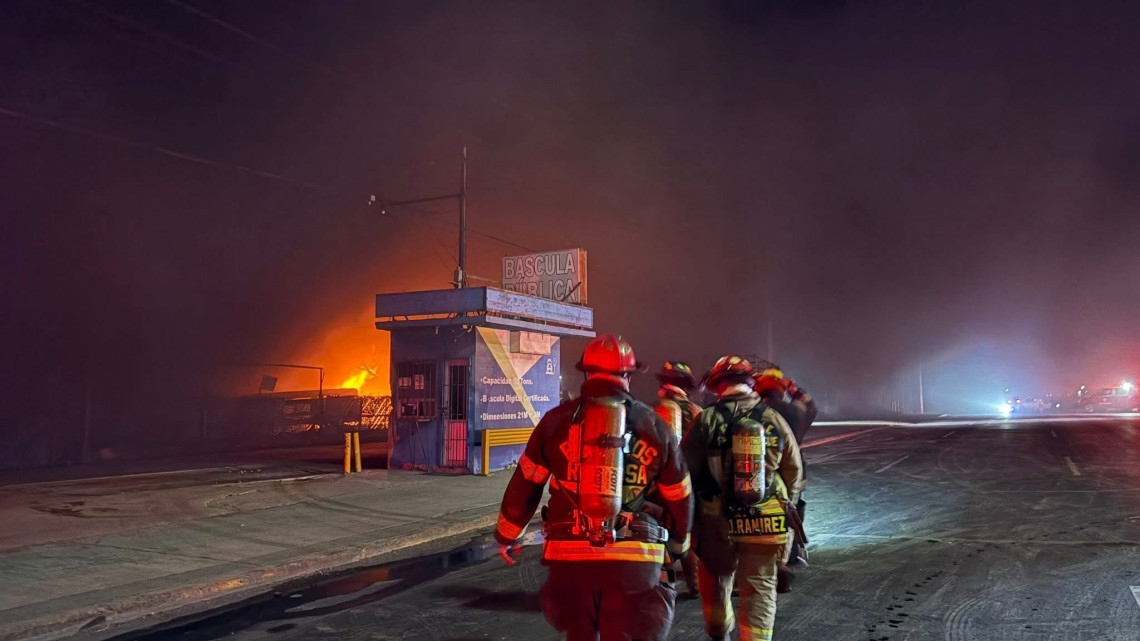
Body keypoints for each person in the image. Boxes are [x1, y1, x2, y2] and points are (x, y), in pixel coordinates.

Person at [494, 334, 694, 641]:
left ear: (586, 373)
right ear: (628, 375)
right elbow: (679, 496)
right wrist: (680, 542)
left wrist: (507, 535)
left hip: (569, 559)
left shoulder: (555, 421)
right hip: (635, 561)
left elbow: (526, 483)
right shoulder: (654, 425)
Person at [684, 355, 803, 641]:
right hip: (766, 521)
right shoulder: (773, 419)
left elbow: (685, 471)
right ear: (750, 383)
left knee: (716, 584)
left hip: (717, 523)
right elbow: (793, 471)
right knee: (759, 589)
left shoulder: (706, 420)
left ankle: (720, 634)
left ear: (717, 385)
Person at [752, 367, 817, 579]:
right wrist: (795, 389)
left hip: (761, 471)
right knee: (793, 509)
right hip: (793, 469)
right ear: (781, 389)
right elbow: (811, 406)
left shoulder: (753, 411)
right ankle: (791, 553)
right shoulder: (794, 411)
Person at [653, 361, 703, 598]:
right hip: (691, 485)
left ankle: (665, 585)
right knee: (687, 531)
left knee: (662, 532)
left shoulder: (653, 412)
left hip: (659, 484)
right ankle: (694, 583)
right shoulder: (697, 412)